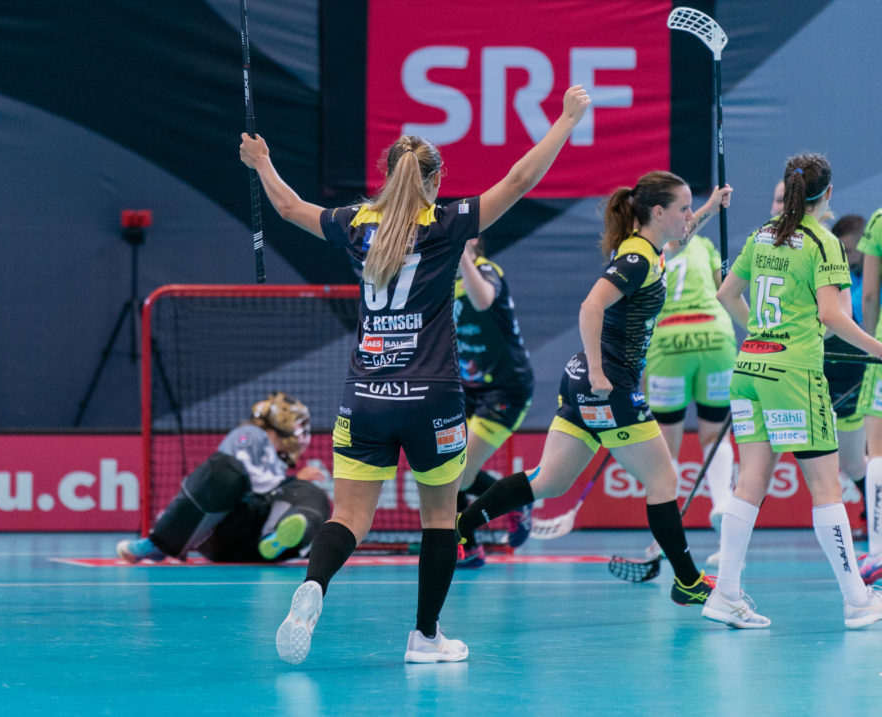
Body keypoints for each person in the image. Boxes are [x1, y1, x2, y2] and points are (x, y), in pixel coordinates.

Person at [240, 84, 591, 665]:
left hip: (364, 396)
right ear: (436, 179)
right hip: (433, 399)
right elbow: (518, 181)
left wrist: (262, 163)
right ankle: (425, 637)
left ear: (386, 176)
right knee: (439, 519)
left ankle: (314, 586)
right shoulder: (448, 223)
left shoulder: (356, 222)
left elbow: (288, 208)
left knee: (349, 517)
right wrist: (566, 121)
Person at [457, 171, 730, 609]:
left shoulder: (649, 251)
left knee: (550, 480)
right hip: (606, 385)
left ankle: (458, 527)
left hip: (581, 382)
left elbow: (679, 240)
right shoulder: (636, 259)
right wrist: (601, 374)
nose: (687, 217)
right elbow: (591, 306)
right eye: (683, 209)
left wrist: (710, 208)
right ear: (658, 213)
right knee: (662, 480)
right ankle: (688, 581)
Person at [707, 154, 882, 629]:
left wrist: (762, 335)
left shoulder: (762, 234)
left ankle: (725, 594)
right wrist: (877, 348)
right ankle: (857, 600)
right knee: (826, 488)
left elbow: (726, 294)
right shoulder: (824, 242)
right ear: (828, 194)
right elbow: (832, 315)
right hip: (794, 377)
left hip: (749, 369)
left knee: (750, 482)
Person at [116, 392, 330, 564]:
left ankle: (277, 540)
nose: (302, 434)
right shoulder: (249, 434)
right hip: (222, 532)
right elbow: (251, 482)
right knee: (226, 472)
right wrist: (292, 482)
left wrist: (295, 484)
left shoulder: (277, 462)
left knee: (314, 494)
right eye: (299, 427)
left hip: (254, 547)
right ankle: (158, 544)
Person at [643, 232, 736, 553]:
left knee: (666, 445)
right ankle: (722, 504)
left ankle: (664, 534)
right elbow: (726, 290)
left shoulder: (643, 249)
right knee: (715, 435)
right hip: (715, 336)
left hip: (669, 340)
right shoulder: (704, 244)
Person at [451, 236, 535, 567]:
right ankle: (469, 548)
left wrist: (460, 254)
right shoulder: (444, 281)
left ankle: (515, 499)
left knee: (459, 476)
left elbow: (483, 300)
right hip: (468, 387)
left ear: (473, 239)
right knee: (445, 465)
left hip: (506, 389)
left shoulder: (487, 271)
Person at [822, 215, 872, 564]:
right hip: (838, 369)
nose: (847, 257)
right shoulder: (838, 273)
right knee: (854, 462)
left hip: (869, 366)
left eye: (851, 251)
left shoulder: (872, 277)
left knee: (867, 456)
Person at [858, 205, 882, 583]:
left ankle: (878, 553)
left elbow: (870, 295)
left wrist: (871, 346)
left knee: (877, 452)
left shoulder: (879, 220)